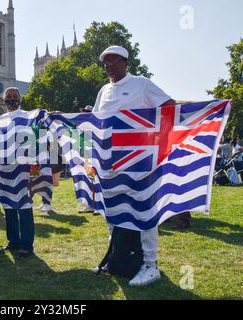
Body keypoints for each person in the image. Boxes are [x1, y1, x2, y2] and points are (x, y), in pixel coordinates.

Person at [92, 45, 177, 286]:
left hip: (138, 163)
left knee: (144, 212)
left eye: (113, 61)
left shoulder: (142, 84)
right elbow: (96, 122)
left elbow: (170, 106)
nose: (108, 65)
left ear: (126, 63)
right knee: (113, 212)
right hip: (109, 162)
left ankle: (151, 265)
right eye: (105, 62)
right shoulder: (104, 90)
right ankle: (115, 257)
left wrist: (154, 137)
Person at [0, 87, 35, 258]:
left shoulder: (28, 116)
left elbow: (35, 139)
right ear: (3, 100)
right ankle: (13, 241)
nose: (12, 98)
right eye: (8, 96)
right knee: (8, 206)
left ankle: (26, 245)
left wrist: (34, 166)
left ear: (20, 99)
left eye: (15, 96)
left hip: (23, 168)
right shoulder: (0, 119)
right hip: (4, 169)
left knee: (24, 206)